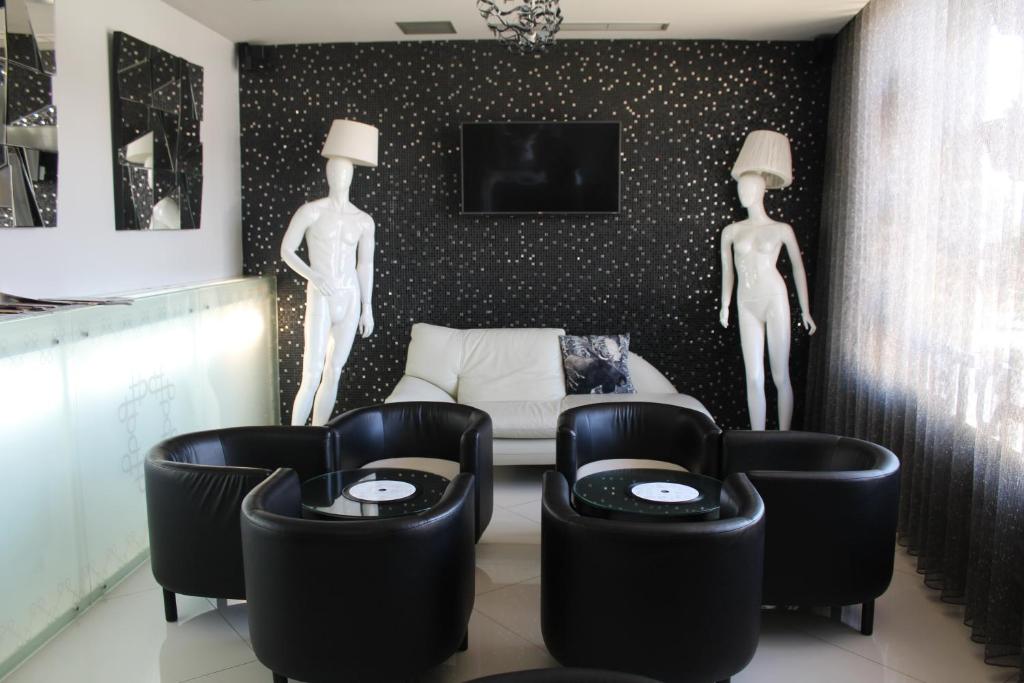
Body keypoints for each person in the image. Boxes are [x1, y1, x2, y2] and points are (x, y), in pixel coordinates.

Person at [719, 131, 815, 430]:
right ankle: (757, 437)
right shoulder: (731, 231)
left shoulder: (781, 229)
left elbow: (797, 269)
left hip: (774, 298)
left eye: (748, 188)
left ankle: (784, 435)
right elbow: (728, 271)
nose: (743, 194)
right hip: (745, 302)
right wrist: (724, 304)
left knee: (780, 374)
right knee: (753, 376)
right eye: (740, 188)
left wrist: (805, 310)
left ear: (761, 190)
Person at [281, 156, 375, 426]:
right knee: (311, 374)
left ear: (352, 176)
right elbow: (286, 250)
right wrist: (313, 275)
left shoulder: (363, 221)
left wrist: (367, 307)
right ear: (327, 174)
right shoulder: (311, 212)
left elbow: (365, 264)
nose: (339, 176)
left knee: (334, 371)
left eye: (345, 171)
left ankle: (319, 434)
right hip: (322, 295)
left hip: (350, 296)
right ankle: (293, 438)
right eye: (334, 170)